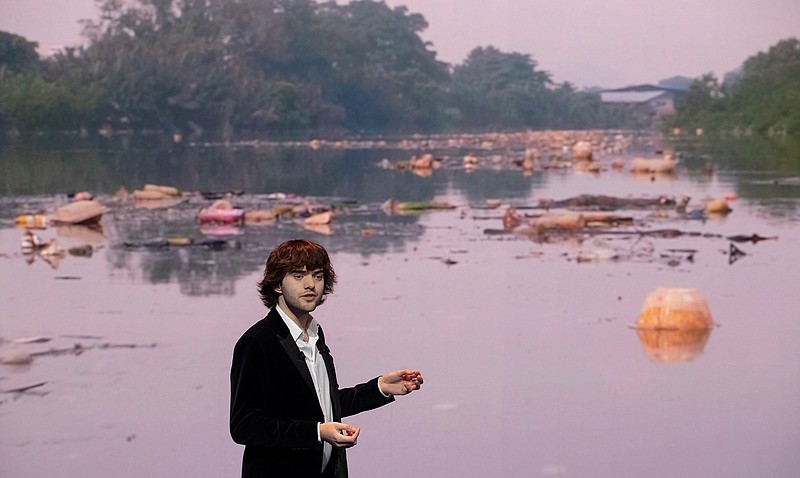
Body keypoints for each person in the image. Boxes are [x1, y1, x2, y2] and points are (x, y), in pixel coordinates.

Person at [230, 239, 423, 477]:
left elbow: (323, 405)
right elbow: (244, 426)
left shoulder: (315, 334)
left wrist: (379, 388)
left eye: (318, 276)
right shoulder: (257, 342)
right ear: (278, 284)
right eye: (298, 276)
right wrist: (317, 432)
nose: (310, 285)